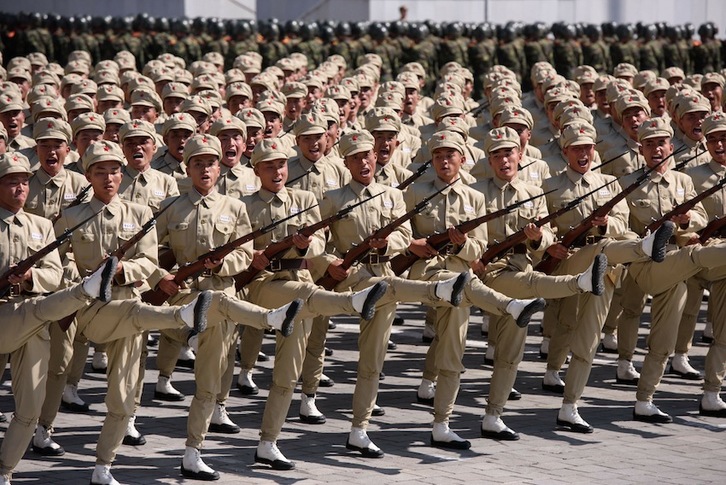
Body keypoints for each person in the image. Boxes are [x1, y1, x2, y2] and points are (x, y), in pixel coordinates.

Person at [53, 140, 212, 485]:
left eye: (114, 170)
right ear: (88, 176)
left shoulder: (139, 215)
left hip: (128, 304)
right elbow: (58, 260)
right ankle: (180, 318)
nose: (109, 177)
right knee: (57, 372)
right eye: (100, 171)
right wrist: (79, 278)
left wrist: (121, 271)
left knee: (123, 395)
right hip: (88, 307)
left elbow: (149, 260)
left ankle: (102, 467)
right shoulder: (72, 216)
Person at [151, 134, 303, 480]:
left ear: (220, 168)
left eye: (210, 163)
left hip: (222, 295)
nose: (205, 169)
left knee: (210, 380)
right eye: (198, 163)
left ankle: (193, 451)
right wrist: (165, 275)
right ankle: (267, 319)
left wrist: (220, 266)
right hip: (183, 298)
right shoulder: (171, 207)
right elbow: (150, 252)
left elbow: (243, 255)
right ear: (186, 168)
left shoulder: (234, 208)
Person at [315, 129, 471, 456]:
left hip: (382, 274)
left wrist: (388, 243)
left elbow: (404, 236)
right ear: (345, 162)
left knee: (372, 362)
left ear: (376, 157)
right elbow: (320, 243)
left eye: (367, 155)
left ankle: (359, 429)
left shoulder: (391, 195)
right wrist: (330, 263)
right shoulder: (333, 199)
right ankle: (438, 290)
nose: (363, 162)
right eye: (355, 157)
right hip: (350, 279)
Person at [241, 137, 389, 470]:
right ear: (257, 171)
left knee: (288, 372)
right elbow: (240, 251)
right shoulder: (246, 205)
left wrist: (304, 246)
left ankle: (268, 443)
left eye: (281, 164)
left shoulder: (306, 199)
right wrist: (260, 255)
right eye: (268, 166)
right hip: (267, 286)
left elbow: (321, 242)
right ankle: (351, 302)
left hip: (302, 282)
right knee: (307, 297)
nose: (277, 171)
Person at [406, 130, 546, 450]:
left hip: (468, 277)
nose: (444, 160)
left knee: (454, 350)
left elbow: (477, 248)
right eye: (438, 155)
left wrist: (464, 244)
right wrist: (412, 244)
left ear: (463, 160)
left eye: (450, 154)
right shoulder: (415, 192)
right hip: (429, 274)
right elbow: (402, 236)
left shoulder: (475, 198)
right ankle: (514, 304)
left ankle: (448, 422)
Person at [471, 127, 608, 440]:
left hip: (521, 267)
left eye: (509, 153)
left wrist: (538, 240)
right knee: (534, 283)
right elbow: (473, 239)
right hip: (494, 273)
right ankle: (580, 282)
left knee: (511, 353)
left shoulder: (533, 192)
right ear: (489, 160)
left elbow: (547, 236)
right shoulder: (477, 192)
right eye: (496, 155)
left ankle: (493, 416)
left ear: (520, 155)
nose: (504, 159)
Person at [541, 123, 673, 433]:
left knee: (588, 341)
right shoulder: (551, 186)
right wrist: (550, 242)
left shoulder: (610, 184)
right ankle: (644, 248)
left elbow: (622, 222)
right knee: (566, 324)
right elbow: (542, 225)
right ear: (564, 153)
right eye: (576, 148)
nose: (583, 153)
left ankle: (569, 407)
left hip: (605, 269)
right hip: (570, 264)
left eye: (587, 147)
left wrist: (603, 225)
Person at [0, 151, 115, 485]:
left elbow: (54, 272)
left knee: (30, 409)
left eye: (23, 182)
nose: (19, 188)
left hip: (33, 316)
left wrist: (30, 277)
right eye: (11, 182)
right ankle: (85, 291)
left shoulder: (41, 226)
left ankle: (5, 470)